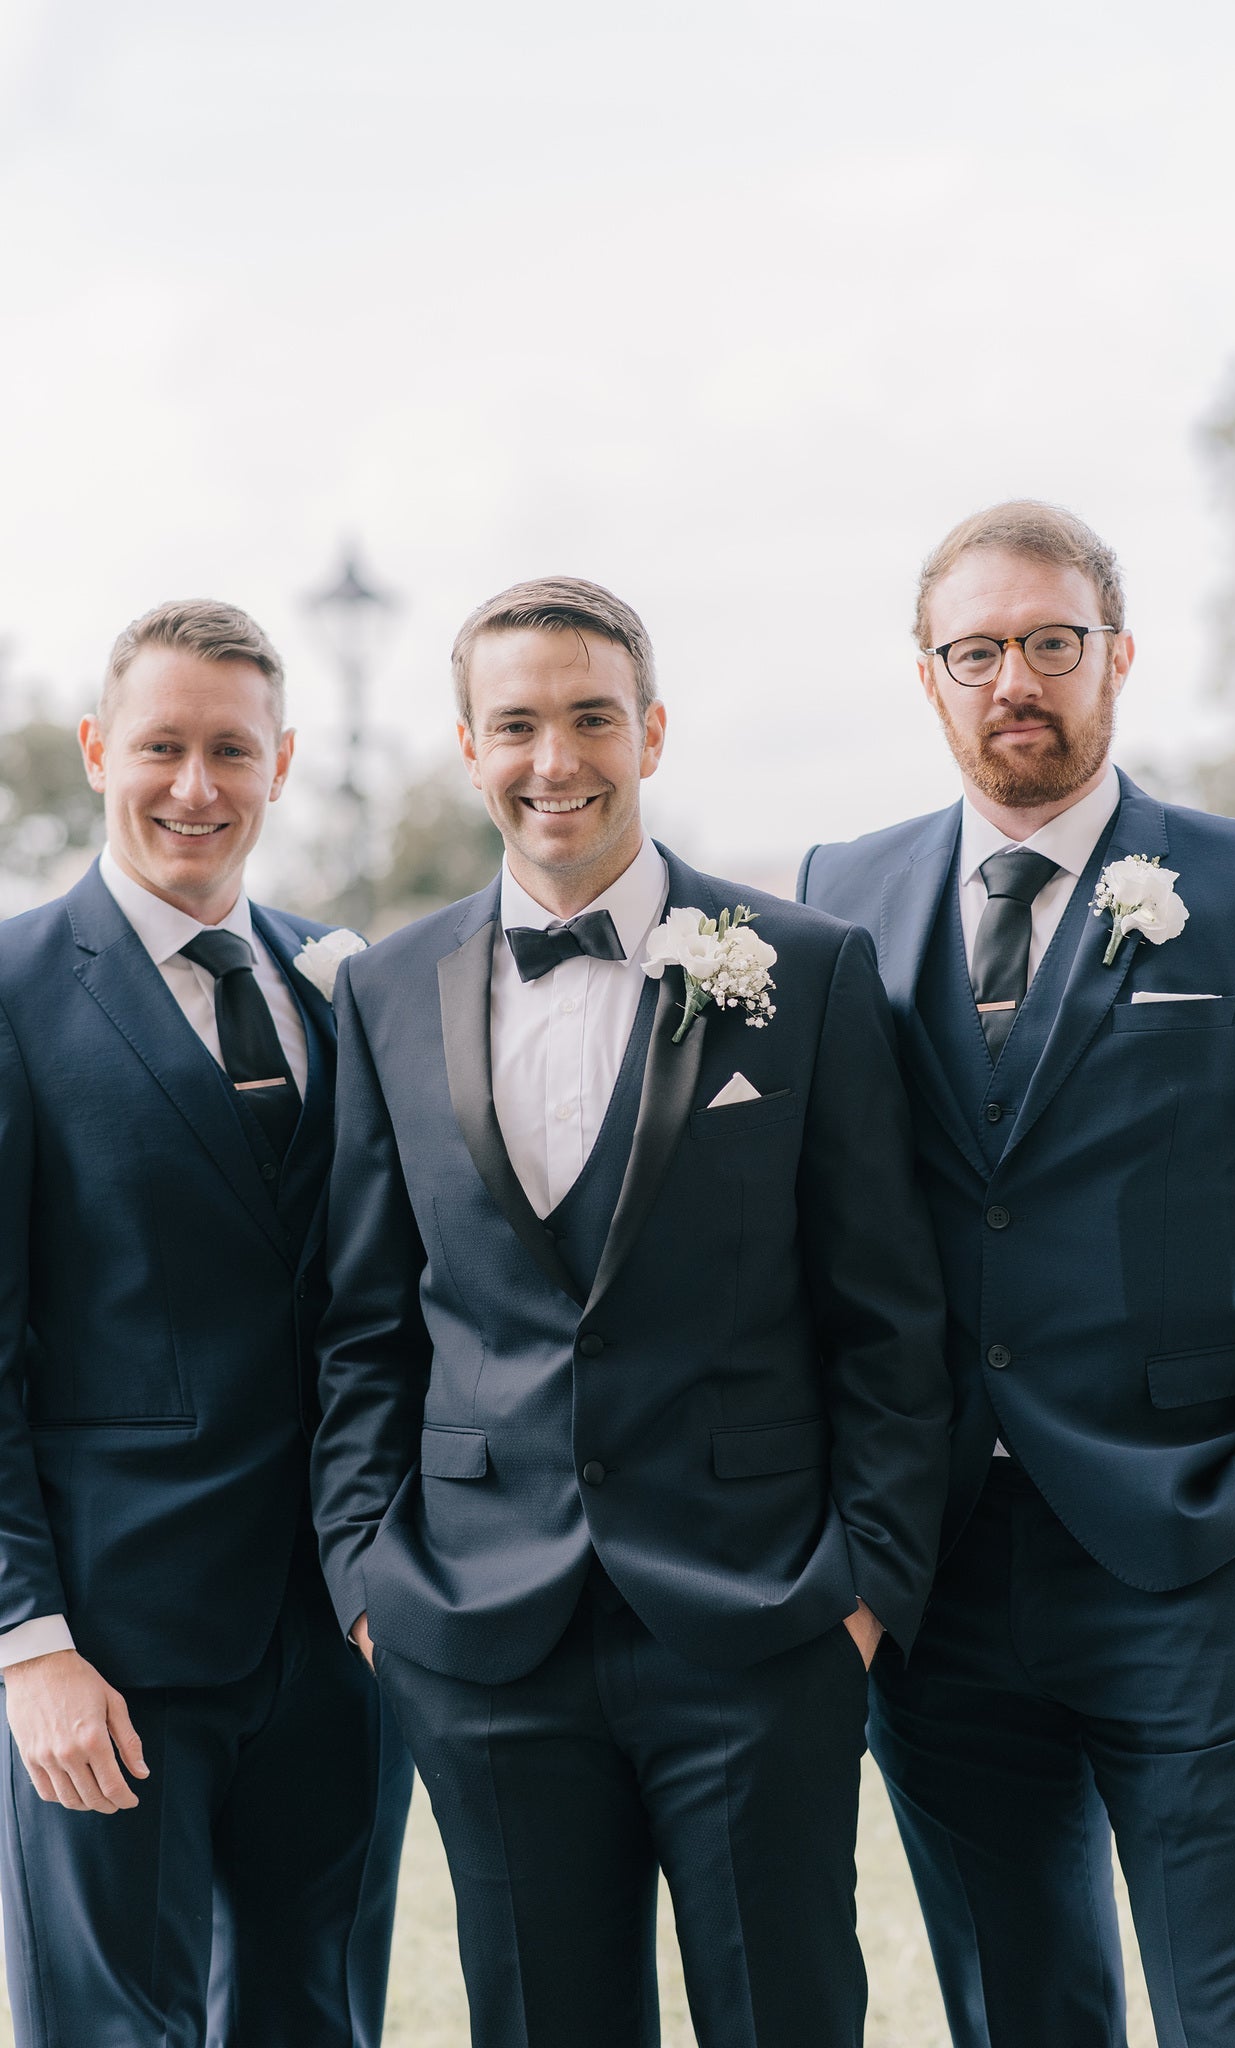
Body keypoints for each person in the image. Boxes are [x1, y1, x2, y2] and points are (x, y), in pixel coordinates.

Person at [309, 575, 950, 2048]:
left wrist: (856, 1596)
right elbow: (358, 1327)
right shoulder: (386, 993)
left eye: (592, 717)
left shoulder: (805, 967)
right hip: (479, 1635)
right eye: (517, 725)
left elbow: (889, 1320)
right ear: (468, 749)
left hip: (762, 1626)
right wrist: (368, 1585)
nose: (557, 761)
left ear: (650, 731)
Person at [798, 500, 1235, 2048]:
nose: (1014, 680)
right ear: (927, 677)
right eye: (974, 650)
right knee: (1018, 2020)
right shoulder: (837, 895)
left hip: (1188, 1557)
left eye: (1050, 642)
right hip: (935, 1580)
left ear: (1117, 657)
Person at [0, 601, 412, 2048]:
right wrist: (25, 1639)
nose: (195, 786)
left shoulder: (349, 984)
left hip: (349, 1641)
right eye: (162, 746)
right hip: (114, 1649)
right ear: (100, 748)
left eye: (230, 750)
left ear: (282, 761)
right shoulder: (10, 989)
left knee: (320, 2022)